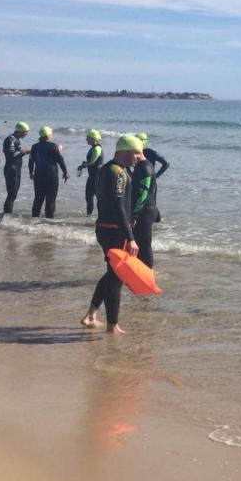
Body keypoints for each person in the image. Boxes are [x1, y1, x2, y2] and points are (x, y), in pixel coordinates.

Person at [82, 133, 145, 334]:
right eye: (136, 153)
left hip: (107, 228)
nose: (138, 157)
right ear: (124, 151)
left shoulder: (110, 168)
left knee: (112, 275)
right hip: (114, 231)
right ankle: (112, 325)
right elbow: (119, 206)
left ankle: (91, 315)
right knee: (116, 279)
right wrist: (131, 237)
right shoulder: (118, 173)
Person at [130, 132, 164, 268]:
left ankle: (149, 273)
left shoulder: (145, 167)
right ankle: (140, 271)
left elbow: (143, 195)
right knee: (139, 242)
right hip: (145, 210)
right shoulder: (140, 166)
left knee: (144, 245)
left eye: (130, 153)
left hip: (146, 211)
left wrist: (134, 216)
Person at [28, 125, 68, 218]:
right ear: (47, 136)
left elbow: (31, 161)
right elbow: (60, 160)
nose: (51, 135)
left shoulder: (34, 147)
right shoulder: (53, 146)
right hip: (51, 176)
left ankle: (34, 220)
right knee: (50, 200)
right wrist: (65, 172)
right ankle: (49, 222)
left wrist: (31, 172)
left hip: (38, 175)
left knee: (38, 199)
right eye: (50, 134)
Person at [2, 121, 31, 213]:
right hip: (11, 169)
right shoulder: (10, 139)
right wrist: (24, 152)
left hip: (16, 169)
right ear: (19, 131)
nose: (26, 134)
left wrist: (24, 152)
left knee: (14, 195)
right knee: (12, 194)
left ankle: (7, 214)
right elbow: (11, 155)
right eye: (25, 132)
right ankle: (6, 216)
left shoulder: (16, 140)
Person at [77, 130, 104, 216]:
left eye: (88, 138)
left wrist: (83, 166)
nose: (86, 139)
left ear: (93, 139)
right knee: (88, 196)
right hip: (92, 175)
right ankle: (89, 215)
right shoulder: (93, 148)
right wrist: (85, 164)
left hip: (97, 176)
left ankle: (102, 216)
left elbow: (92, 162)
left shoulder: (97, 148)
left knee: (98, 197)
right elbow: (92, 162)